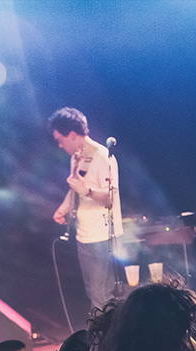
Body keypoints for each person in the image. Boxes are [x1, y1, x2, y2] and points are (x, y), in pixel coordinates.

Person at [48, 107, 123, 312]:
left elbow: (110, 197)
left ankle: (104, 340)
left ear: (72, 135)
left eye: (60, 140)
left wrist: (88, 190)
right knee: (92, 292)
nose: (60, 146)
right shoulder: (76, 158)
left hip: (102, 237)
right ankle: (103, 337)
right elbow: (75, 189)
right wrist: (64, 208)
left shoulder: (103, 157)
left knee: (101, 295)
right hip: (83, 236)